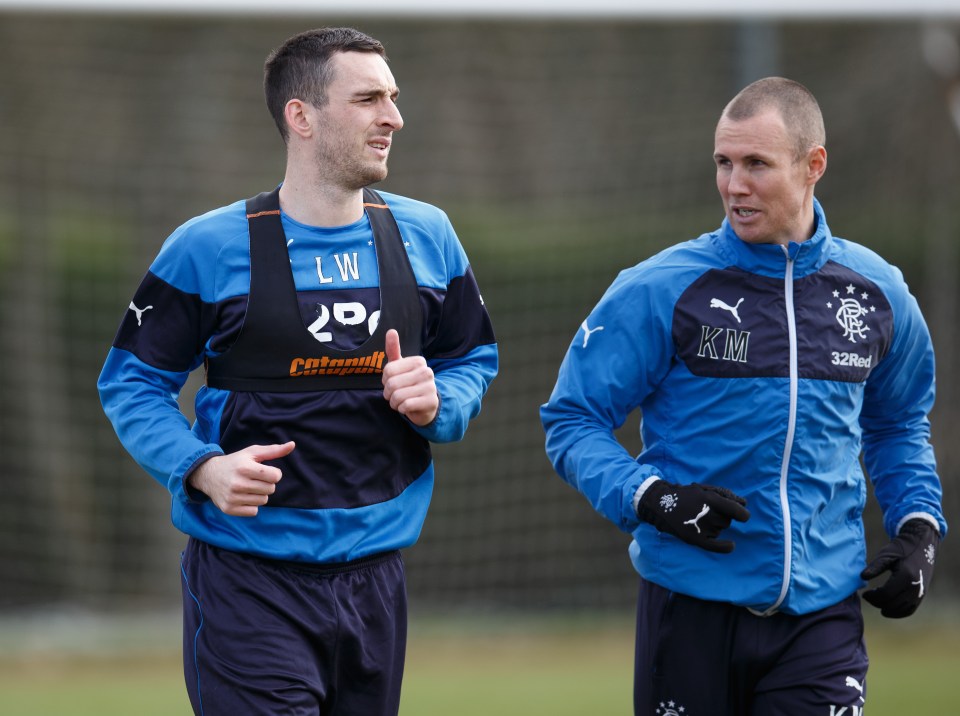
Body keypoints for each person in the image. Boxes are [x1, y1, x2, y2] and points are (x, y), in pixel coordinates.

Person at [98, 27, 497, 715]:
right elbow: (131, 381)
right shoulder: (206, 247)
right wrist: (200, 467)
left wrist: (440, 402)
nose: (394, 117)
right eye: (369, 98)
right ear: (301, 116)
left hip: (377, 578)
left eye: (394, 98)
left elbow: (470, 359)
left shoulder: (428, 235)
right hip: (249, 581)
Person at [540, 77, 945, 715]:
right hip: (689, 611)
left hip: (821, 618)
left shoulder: (877, 293)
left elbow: (898, 424)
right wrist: (651, 497)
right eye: (724, 163)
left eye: (756, 163)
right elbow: (572, 421)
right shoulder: (660, 287)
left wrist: (918, 528)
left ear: (814, 165)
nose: (734, 184)